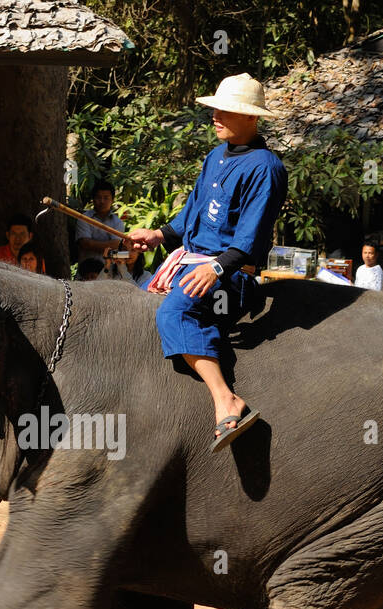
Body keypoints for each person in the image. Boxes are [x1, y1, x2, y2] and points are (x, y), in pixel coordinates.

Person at [126, 73, 287, 452]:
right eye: (215, 108)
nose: (215, 115)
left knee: (172, 314)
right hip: (192, 262)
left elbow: (249, 240)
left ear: (252, 118)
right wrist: (159, 235)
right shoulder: (214, 156)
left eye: (226, 110)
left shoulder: (266, 167)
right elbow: (189, 218)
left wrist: (215, 268)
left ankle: (226, 400)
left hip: (230, 277)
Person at [75, 180, 126, 261]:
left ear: (112, 200)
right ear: (93, 199)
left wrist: (93, 244)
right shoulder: (84, 218)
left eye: (106, 198)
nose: (102, 201)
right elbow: (85, 244)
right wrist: (110, 245)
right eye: (98, 197)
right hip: (86, 271)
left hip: (110, 271)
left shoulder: (117, 222)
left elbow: (116, 245)